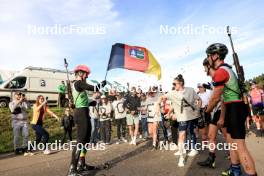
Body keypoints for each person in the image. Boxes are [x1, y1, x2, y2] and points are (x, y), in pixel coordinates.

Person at [204, 43, 257, 176]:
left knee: (240, 147)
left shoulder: (220, 72)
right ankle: (235, 170)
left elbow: (215, 98)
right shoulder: (227, 69)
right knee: (233, 144)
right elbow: (222, 99)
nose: (208, 58)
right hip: (233, 107)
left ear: (215, 56)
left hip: (234, 108)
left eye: (209, 56)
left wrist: (206, 112)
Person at [67, 65, 106, 176]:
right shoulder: (78, 83)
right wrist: (102, 84)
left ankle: (81, 163)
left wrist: (94, 101)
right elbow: (94, 88)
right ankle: (72, 169)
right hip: (80, 114)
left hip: (84, 112)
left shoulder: (80, 86)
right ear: (80, 73)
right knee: (80, 140)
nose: (86, 76)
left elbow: (87, 102)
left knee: (86, 139)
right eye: (86, 74)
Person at [156, 74, 201, 167]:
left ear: (180, 83)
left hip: (192, 116)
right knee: (182, 135)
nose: (173, 85)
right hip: (182, 118)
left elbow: (199, 100)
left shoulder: (191, 90)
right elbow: (162, 98)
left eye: (174, 83)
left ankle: (193, 148)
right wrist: (157, 104)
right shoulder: (172, 93)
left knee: (192, 132)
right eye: (173, 84)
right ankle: (181, 156)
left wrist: (197, 109)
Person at [197, 58, 229, 169]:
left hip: (223, 110)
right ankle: (211, 159)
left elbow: (218, 98)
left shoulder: (219, 75)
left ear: (209, 66)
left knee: (227, 136)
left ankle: (234, 158)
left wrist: (208, 111)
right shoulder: (212, 81)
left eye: (204, 67)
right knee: (211, 135)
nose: (204, 70)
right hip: (215, 111)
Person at [9, 92, 32, 156]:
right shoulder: (11, 103)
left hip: (24, 121)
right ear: (15, 96)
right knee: (17, 136)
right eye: (18, 95)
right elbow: (12, 109)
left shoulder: (24, 102)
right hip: (16, 121)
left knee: (26, 135)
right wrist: (19, 101)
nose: (20, 96)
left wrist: (26, 101)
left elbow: (29, 108)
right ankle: (17, 148)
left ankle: (24, 147)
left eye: (20, 95)